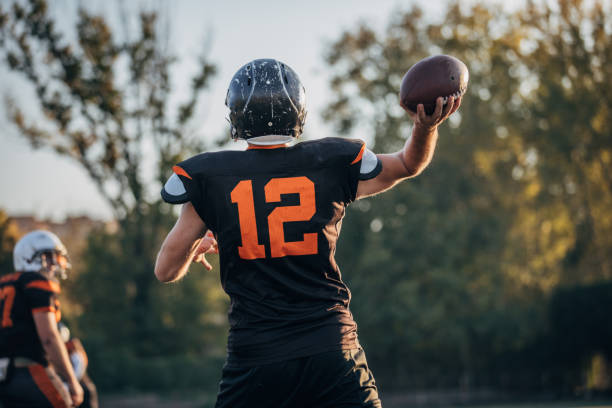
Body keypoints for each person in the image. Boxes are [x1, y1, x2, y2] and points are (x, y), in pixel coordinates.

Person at [155, 58, 461, 407]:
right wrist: (425, 127)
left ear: (236, 114)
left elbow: (165, 271)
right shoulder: (330, 162)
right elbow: (408, 164)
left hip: (257, 360)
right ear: (297, 109)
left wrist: (204, 234)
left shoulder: (209, 178)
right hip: (330, 348)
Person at [0, 230, 84, 407]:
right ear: (27, 258)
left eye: (56, 258)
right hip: (29, 370)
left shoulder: (6, 283)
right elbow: (49, 337)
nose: (54, 264)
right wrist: (72, 380)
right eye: (47, 257)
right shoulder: (37, 282)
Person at [58, 323, 98, 408]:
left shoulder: (75, 352)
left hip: (82, 390)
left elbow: (78, 372)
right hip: (73, 391)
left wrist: (64, 386)